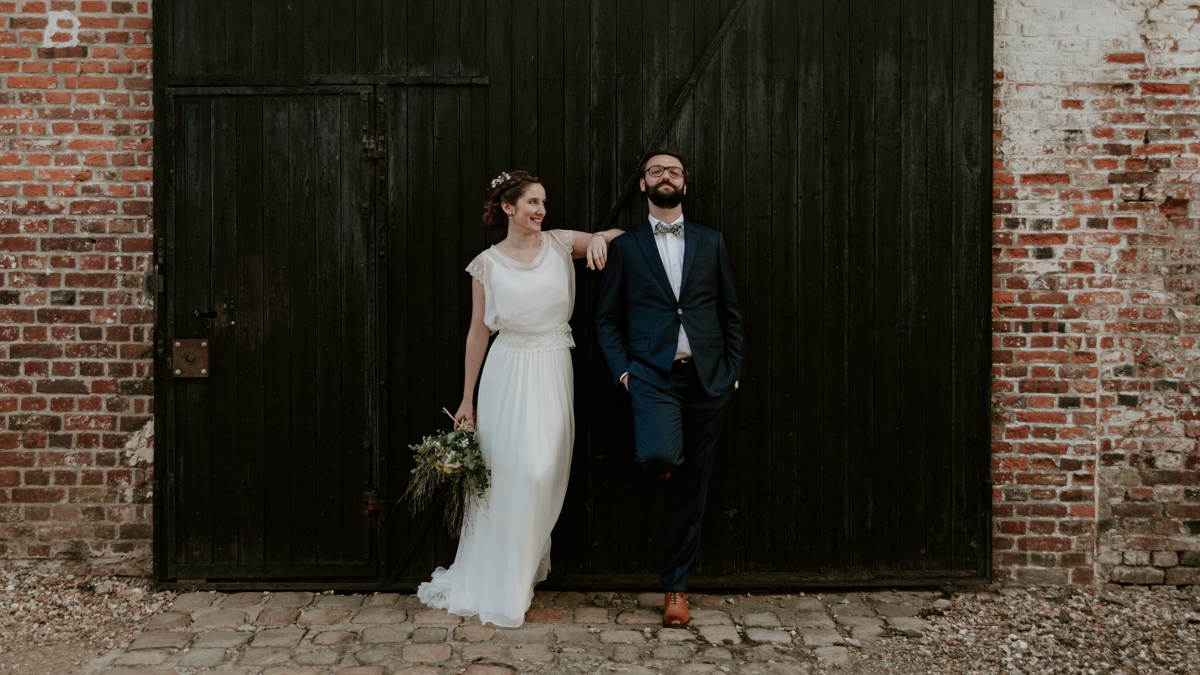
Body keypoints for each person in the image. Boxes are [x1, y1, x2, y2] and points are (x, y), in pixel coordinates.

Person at [416, 170, 624, 627]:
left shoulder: (558, 243)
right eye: (532, 203)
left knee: (542, 469)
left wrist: (602, 240)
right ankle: (503, 581)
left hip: (552, 363)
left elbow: (619, 235)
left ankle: (521, 566)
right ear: (508, 208)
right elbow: (478, 330)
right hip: (506, 370)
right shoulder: (486, 264)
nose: (541, 211)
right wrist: (467, 399)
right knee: (508, 472)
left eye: (544, 203)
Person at [595, 151, 744, 626]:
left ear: (685, 183)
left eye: (674, 171)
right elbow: (607, 319)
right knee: (660, 457)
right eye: (656, 171)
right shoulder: (627, 247)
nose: (666, 176)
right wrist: (624, 372)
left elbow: (730, 312)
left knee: (693, 488)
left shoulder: (711, 241)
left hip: (707, 380)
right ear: (643, 185)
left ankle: (676, 587)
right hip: (652, 378)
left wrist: (732, 370)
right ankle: (664, 459)